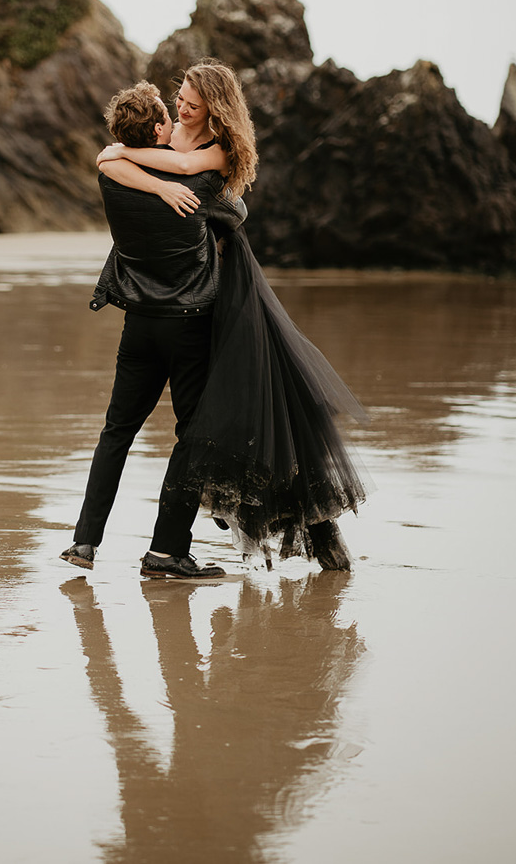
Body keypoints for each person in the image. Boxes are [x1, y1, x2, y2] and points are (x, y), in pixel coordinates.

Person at [94, 59, 369, 570]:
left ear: (215, 109)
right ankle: (189, 533)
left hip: (228, 292)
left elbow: (181, 180)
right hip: (184, 299)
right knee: (214, 420)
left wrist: (124, 156)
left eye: (192, 104)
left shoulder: (215, 150)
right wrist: (125, 159)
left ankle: (318, 531)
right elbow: (129, 167)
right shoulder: (164, 134)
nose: (181, 109)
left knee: (259, 409)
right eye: (180, 100)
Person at [60, 80, 247, 579]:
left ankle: (84, 541)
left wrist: (145, 169)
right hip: (188, 325)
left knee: (116, 430)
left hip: (138, 325)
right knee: (190, 434)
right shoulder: (195, 185)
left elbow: (108, 158)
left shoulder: (117, 175)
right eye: (170, 112)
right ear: (160, 128)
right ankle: (166, 551)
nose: (176, 116)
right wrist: (171, 189)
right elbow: (235, 211)